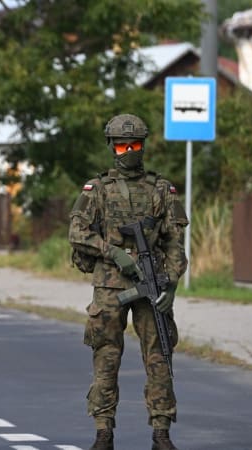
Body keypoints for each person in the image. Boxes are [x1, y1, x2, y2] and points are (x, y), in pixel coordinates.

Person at [68, 114, 189, 450]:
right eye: (122, 144)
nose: (129, 150)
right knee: (106, 356)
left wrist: (172, 284)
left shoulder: (161, 190)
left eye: (135, 144)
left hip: (154, 287)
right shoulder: (97, 190)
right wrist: (112, 252)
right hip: (109, 286)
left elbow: (175, 243)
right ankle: (103, 431)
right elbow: (77, 233)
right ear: (111, 146)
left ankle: (162, 432)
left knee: (160, 356)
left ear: (143, 145)